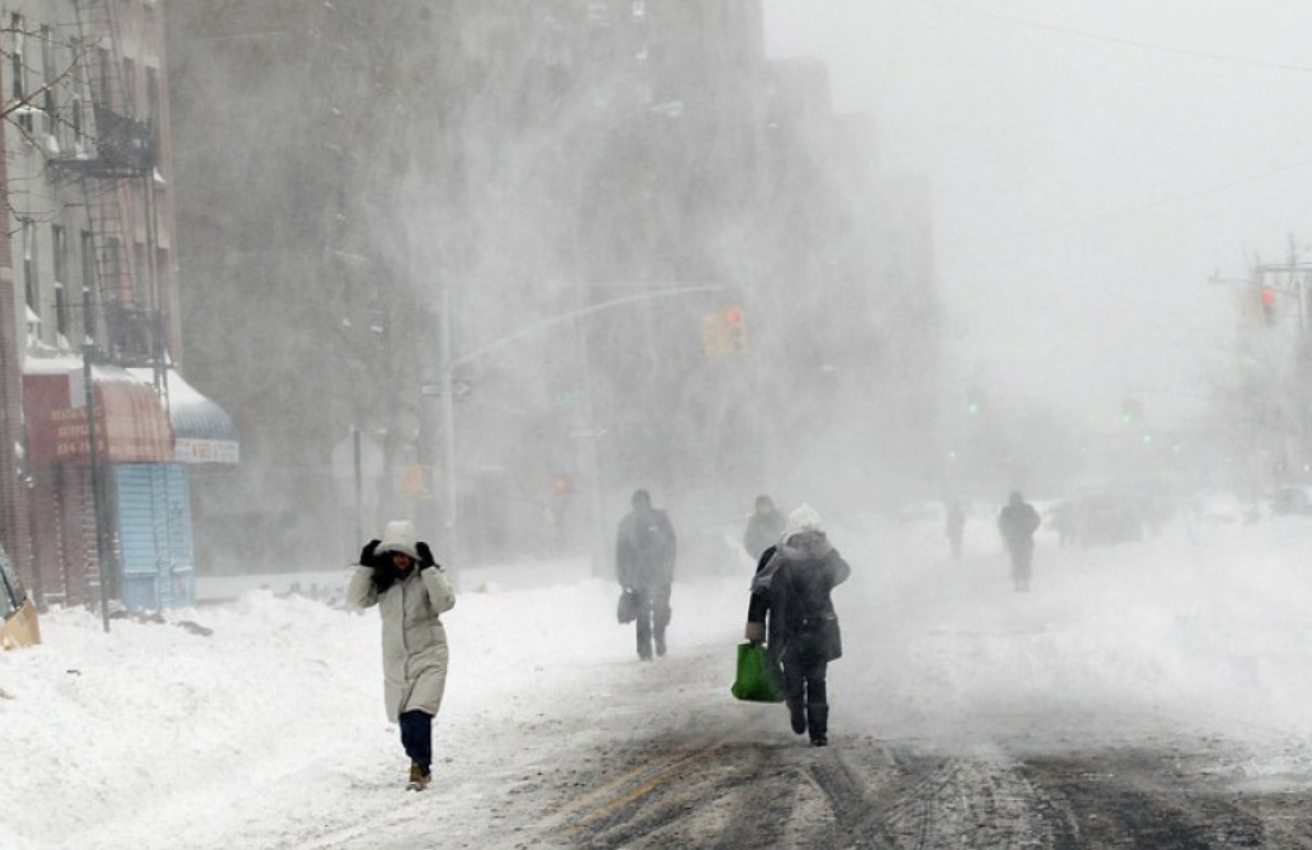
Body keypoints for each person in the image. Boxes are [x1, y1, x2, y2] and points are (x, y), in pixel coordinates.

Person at [347, 519, 456, 790]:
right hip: (397, 659)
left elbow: (445, 602)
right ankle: (417, 760)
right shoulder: (384, 582)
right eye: (395, 555)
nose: (400, 561)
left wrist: (430, 569)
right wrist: (365, 567)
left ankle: (420, 769)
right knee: (406, 720)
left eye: (405, 555)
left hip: (429, 654)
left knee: (420, 712)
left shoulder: (427, 575)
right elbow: (357, 600)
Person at [745, 504, 851, 747]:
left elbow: (843, 572)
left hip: (819, 630)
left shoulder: (822, 559)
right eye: (799, 537)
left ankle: (819, 733)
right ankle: (795, 708)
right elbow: (759, 597)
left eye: (810, 537)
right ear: (789, 534)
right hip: (787, 632)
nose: (804, 542)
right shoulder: (774, 558)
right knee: (792, 681)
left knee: (817, 681)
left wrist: (826, 549)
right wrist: (755, 632)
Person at [615, 489, 677, 661]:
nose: (640, 506)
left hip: (660, 573)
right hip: (639, 575)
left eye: (643, 502)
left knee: (661, 609)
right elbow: (621, 553)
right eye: (637, 503)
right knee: (642, 612)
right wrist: (623, 576)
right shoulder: (626, 524)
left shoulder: (660, 519)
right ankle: (644, 649)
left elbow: (671, 544)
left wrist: (668, 566)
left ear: (649, 503)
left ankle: (659, 635)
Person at [997, 491, 1041, 591]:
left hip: (1025, 540)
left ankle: (1026, 583)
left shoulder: (1027, 509)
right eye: (1013, 500)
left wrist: (1029, 528)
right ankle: (1017, 583)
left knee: (1026, 562)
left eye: (1016, 499)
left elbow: (1036, 520)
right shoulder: (1007, 511)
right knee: (1016, 562)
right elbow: (1001, 524)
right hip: (1014, 541)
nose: (1015, 502)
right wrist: (1007, 532)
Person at [742, 494, 786, 562]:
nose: (764, 508)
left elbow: (789, 533)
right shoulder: (754, 523)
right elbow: (749, 542)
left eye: (766, 505)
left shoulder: (780, 519)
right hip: (764, 558)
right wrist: (757, 554)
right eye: (761, 506)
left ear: (771, 506)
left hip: (784, 555)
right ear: (757, 508)